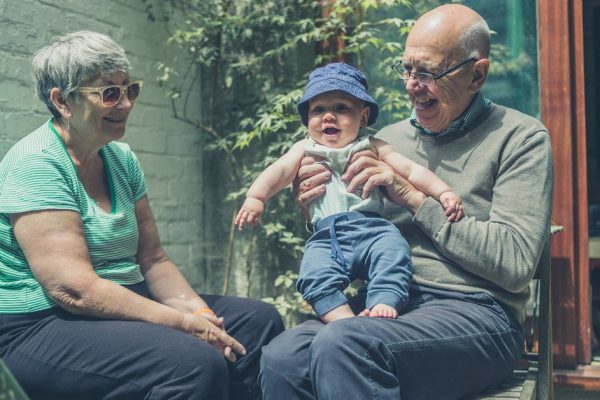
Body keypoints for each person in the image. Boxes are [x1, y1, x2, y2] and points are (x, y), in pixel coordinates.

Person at [259, 4, 553, 400]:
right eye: (407, 69)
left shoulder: (520, 139)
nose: (412, 85)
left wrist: (415, 198)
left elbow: (515, 265)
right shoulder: (384, 141)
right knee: (282, 356)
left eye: (428, 72)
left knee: (344, 344)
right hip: (387, 304)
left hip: (478, 315)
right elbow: (350, 240)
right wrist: (314, 207)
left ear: (477, 74)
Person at [0, 31, 284, 400]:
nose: (126, 104)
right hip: (41, 325)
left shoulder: (120, 158)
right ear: (62, 101)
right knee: (191, 362)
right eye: (109, 93)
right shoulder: (37, 164)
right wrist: (185, 325)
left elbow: (152, 258)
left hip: (122, 299)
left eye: (130, 89)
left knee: (257, 322)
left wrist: (202, 315)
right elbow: (75, 291)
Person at [236, 63, 463, 322]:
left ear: (363, 117)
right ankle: (341, 318)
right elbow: (277, 172)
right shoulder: (304, 149)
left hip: (373, 228)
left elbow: (411, 171)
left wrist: (443, 192)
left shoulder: (373, 146)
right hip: (327, 236)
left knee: (394, 253)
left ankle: (383, 301)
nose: (328, 117)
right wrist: (256, 197)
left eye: (340, 108)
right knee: (313, 272)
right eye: (318, 109)